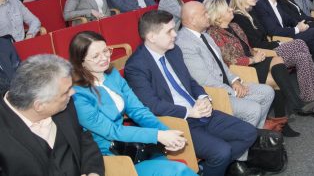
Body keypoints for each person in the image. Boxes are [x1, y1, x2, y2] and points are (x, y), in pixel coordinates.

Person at [124, 10, 259, 176]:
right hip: (176, 121)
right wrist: (189, 112)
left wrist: (203, 97)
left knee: (249, 133)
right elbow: (152, 105)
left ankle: (210, 169)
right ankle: (216, 166)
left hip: (200, 111)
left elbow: (190, 82)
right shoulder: (136, 66)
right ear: (152, 37)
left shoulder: (174, 51)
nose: (175, 34)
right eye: (169, 31)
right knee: (221, 152)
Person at [69, 31, 196, 176]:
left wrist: (166, 133)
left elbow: (138, 111)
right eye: (95, 56)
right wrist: (158, 135)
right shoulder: (78, 95)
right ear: (81, 62)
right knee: (177, 171)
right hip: (107, 156)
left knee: (176, 167)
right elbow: (112, 131)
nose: (104, 58)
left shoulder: (112, 75)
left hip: (130, 146)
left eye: (105, 51)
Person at [205, 0, 314, 131]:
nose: (231, 9)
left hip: (253, 60)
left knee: (280, 65)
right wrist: (253, 60)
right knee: (279, 70)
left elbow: (248, 48)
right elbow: (228, 60)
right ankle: (294, 106)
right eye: (227, 9)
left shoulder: (234, 26)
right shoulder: (214, 33)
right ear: (219, 15)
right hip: (240, 69)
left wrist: (257, 54)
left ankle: (287, 116)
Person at [0, 54, 105, 176]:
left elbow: (82, 139)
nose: (73, 92)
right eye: (66, 92)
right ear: (39, 105)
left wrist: (93, 171)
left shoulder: (64, 102)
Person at [229, 0, 314, 102]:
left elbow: (264, 36)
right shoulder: (238, 18)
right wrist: (279, 43)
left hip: (268, 48)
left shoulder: (250, 12)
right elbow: (255, 45)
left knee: (302, 56)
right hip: (262, 53)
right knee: (300, 43)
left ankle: (308, 96)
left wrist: (279, 43)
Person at [176, 1, 274, 129]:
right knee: (253, 109)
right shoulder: (185, 43)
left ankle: (256, 133)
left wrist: (235, 81)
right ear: (193, 20)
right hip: (213, 94)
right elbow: (203, 80)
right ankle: (247, 138)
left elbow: (221, 64)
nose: (208, 16)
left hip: (226, 85)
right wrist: (232, 91)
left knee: (268, 92)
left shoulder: (204, 35)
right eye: (204, 14)